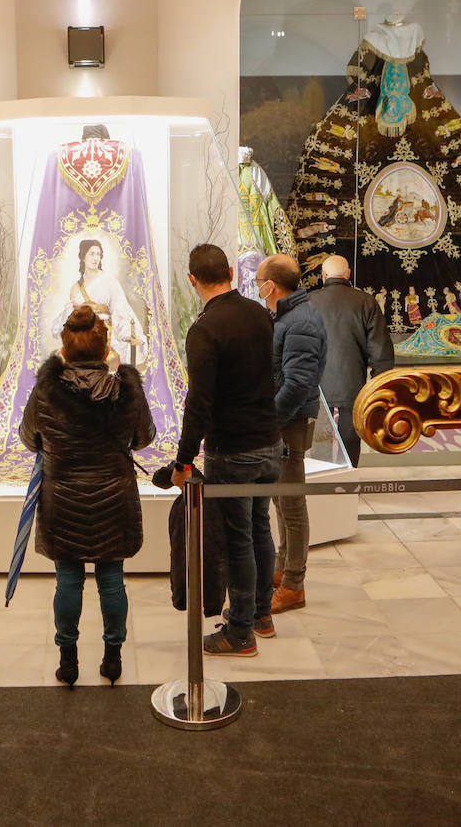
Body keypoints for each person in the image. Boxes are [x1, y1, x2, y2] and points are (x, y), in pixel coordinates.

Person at [20, 305, 155, 687]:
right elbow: (145, 438)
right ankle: (113, 657)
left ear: (64, 349)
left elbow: (29, 438)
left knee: (68, 580)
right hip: (114, 495)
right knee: (112, 579)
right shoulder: (125, 391)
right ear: (105, 348)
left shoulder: (46, 393)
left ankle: (68, 660)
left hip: (63, 499)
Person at [172, 244, 282, 657]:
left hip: (233, 448)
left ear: (191, 280)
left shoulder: (205, 330)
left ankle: (239, 632)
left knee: (237, 539)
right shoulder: (259, 314)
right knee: (259, 528)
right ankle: (260, 616)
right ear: (232, 272)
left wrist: (183, 460)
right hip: (269, 441)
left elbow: (198, 403)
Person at [256, 254, 327, 614]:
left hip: (290, 422)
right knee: (281, 501)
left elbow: (298, 382)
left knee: (292, 504)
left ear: (272, 284)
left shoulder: (299, 321)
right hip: (283, 421)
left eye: (258, 281)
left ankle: (294, 584)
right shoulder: (288, 317)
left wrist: (271, 420)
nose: (256, 287)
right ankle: (283, 569)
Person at [306, 254, 395, 466]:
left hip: (316, 385)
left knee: (320, 438)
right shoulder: (366, 302)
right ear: (348, 274)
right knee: (350, 438)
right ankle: (347, 480)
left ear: (323, 275)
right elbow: (381, 352)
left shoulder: (308, 302)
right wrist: (377, 386)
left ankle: (322, 480)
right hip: (353, 383)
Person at [55, 239, 147, 366]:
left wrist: (128, 334)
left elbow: (120, 310)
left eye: (98, 254)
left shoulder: (110, 281)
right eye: (91, 254)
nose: (95, 258)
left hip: (104, 336)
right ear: (83, 257)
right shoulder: (75, 288)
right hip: (81, 336)